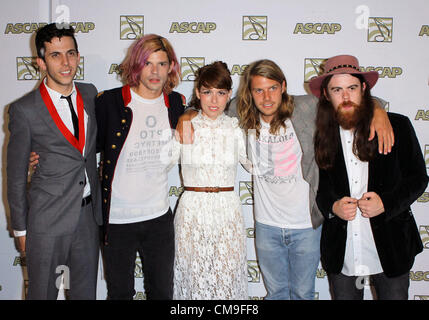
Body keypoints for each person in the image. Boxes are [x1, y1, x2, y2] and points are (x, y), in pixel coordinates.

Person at [176, 59, 393, 300]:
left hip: (305, 225)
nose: (266, 97)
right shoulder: (240, 111)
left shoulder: (307, 107)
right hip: (267, 225)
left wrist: (379, 109)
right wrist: (187, 114)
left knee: (303, 293)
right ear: (250, 93)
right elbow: (209, 104)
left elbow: (345, 101)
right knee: (276, 293)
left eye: (272, 88)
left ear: (284, 86)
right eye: (258, 90)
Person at [311, 54, 428, 300]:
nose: (345, 97)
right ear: (325, 95)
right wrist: (333, 206)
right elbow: (320, 188)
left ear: (364, 89)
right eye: (337, 90)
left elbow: (418, 178)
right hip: (343, 249)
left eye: (352, 88)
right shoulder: (322, 134)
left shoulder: (398, 125)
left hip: (391, 245)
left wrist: (386, 203)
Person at [7, 23, 102, 300]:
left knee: (85, 295)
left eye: (70, 54)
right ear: (40, 62)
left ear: (78, 56)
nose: (65, 63)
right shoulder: (24, 110)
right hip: (46, 222)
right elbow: (13, 175)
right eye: (55, 55)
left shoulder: (89, 94)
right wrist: (21, 229)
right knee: (42, 295)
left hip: (87, 218)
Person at [94, 34, 185, 300]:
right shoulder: (109, 102)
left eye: (162, 63)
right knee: (120, 293)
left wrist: (189, 115)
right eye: (148, 63)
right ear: (136, 65)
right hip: (117, 219)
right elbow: (83, 147)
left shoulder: (177, 104)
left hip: (158, 217)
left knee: (162, 293)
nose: (155, 71)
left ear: (171, 67)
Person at [170, 61, 250, 300]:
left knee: (227, 280)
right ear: (197, 93)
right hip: (192, 210)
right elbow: (163, 163)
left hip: (227, 211)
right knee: (193, 279)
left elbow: (253, 164)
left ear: (229, 95)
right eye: (207, 92)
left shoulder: (236, 127)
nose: (214, 101)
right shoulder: (186, 125)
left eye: (221, 93)